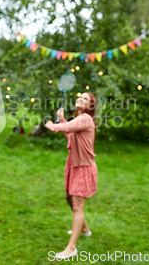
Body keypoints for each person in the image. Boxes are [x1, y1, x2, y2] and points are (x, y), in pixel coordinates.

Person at [45, 92, 97, 260]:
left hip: (83, 167)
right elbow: (69, 132)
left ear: (90, 106)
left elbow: (64, 129)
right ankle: (84, 229)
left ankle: (71, 248)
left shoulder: (86, 119)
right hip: (74, 165)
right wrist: (61, 120)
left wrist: (52, 124)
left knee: (77, 205)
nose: (80, 100)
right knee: (70, 198)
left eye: (85, 99)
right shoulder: (79, 120)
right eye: (79, 97)